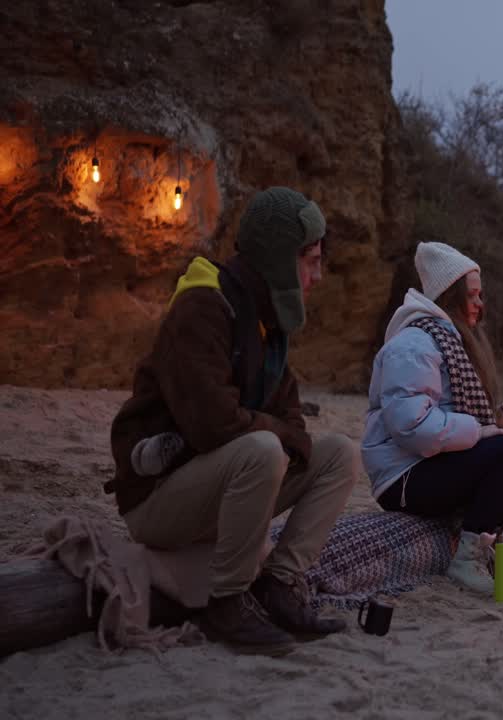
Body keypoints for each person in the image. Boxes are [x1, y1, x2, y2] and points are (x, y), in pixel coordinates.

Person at [108, 186, 359, 656]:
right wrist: (283, 435)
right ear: (280, 260)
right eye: (310, 261)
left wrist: (287, 436)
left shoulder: (266, 319)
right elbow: (214, 425)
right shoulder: (203, 307)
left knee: (339, 454)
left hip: (221, 487)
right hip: (158, 499)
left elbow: (291, 413)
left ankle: (279, 586)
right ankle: (226, 602)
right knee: (262, 448)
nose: (318, 276)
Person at [362, 241, 503, 595]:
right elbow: (410, 427)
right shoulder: (414, 344)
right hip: (402, 477)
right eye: (473, 295)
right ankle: (467, 558)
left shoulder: (448, 341)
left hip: (432, 461)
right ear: (450, 296)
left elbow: (449, 414)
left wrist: (496, 422)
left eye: (480, 295)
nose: (480, 303)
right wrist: (481, 431)